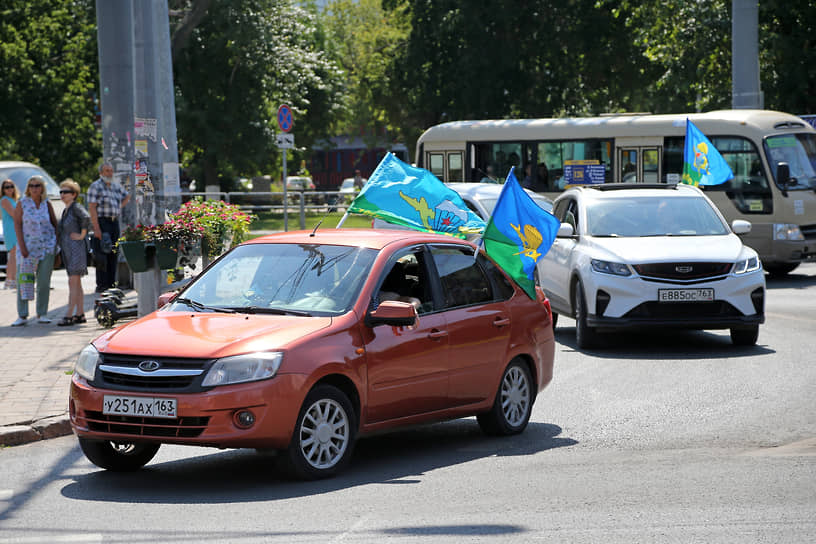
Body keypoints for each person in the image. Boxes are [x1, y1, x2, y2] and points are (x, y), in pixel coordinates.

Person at [11, 176, 58, 326]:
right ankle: (22, 315)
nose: (34, 188)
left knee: (44, 282)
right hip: (27, 249)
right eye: (31, 185)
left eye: (37, 185)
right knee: (24, 281)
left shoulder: (47, 204)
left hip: (47, 248)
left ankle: (42, 313)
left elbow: (54, 224)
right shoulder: (22, 203)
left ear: (42, 187)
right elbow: (17, 225)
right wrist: (22, 246)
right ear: (28, 188)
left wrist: (55, 245)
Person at [87, 162, 129, 293]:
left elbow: (127, 196)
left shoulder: (115, 186)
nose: (109, 173)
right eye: (106, 171)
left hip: (114, 222)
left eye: (111, 171)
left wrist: (118, 208)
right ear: (101, 173)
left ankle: (111, 284)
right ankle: (102, 285)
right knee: (101, 254)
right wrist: (96, 228)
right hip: (102, 221)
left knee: (113, 253)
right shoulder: (96, 186)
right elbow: (92, 208)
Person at [56, 179, 91, 326]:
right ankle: (80, 314)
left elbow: (86, 217)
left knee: (73, 282)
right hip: (69, 251)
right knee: (76, 283)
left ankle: (69, 314)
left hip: (76, 250)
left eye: (66, 192)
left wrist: (82, 235)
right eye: (61, 192)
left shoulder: (76, 207)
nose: (62, 194)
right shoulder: (67, 209)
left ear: (74, 194)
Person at [1, 179, 20, 289]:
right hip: (11, 229)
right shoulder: (4, 200)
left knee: (13, 255)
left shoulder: (13, 199)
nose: (9, 189)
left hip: (15, 228)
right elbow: (14, 214)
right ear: (3, 190)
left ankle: (9, 280)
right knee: (13, 255)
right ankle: (11, 280)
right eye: (7, 187)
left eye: (11, 186)